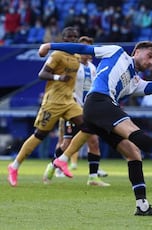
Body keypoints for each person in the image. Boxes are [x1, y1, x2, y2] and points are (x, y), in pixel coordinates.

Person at [38, 40, 152, 216]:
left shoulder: (135, 82)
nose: (151, 62)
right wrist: (50, 46)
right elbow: (83, 49)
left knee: (134, 154)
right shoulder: (115, 51)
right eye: (150, 56)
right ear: (137, 51)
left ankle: (142, 206)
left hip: (98, 108)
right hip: (99, 100)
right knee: (132, 130)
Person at [7, 27, 83, 187]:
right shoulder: (57, 55)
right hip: (52, 101)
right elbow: (42, 74)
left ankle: (61, 161)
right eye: (69, 37)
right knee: (40, 135)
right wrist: (58, 77)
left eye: (75, 37)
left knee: (88, 127)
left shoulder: (77, 57)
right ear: (63, 39)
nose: (73, 39)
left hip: (69, 101)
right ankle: (14, 166)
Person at [43, 36, 109, 186]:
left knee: (94, 141)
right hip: (72, 108)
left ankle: (93, 177)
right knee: (67, 143)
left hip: (88, 110)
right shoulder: (73, 65)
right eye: (83, 48)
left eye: (88, 49)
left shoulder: (93, 68)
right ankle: (53, 165)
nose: (86, 52)